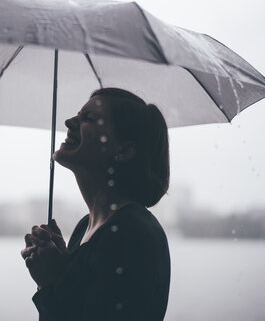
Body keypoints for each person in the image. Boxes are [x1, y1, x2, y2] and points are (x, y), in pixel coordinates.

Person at [21, 88, 171, 321]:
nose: (69, 122)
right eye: (78, 115)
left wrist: (49, 283)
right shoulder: (86, 226)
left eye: (88, 119)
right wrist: (62, 270)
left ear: (124, 150)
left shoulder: (132, 234)